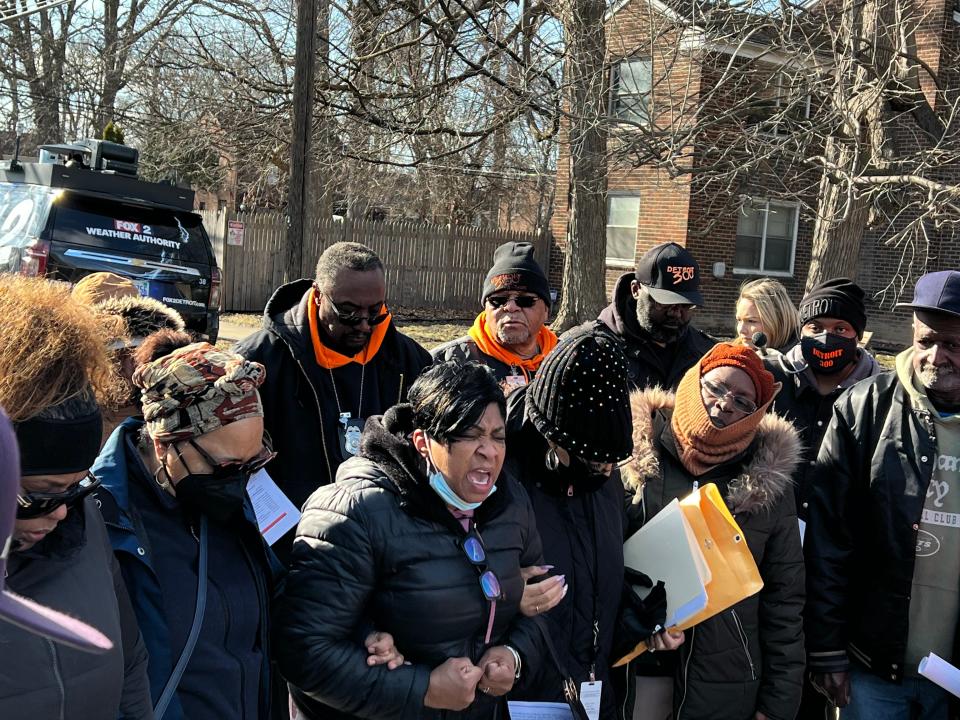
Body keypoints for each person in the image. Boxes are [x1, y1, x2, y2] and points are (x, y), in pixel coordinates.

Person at [272, 361, 545, 720]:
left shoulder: (510, 501)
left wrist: (513, 656)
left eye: (497, 436)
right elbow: (303, 651)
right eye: (468, 435)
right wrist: (423, 688)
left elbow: (541, 605)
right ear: (423, 443)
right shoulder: (354, 510)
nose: (489, 452)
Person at [91, 333, 286, 720]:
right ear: (164, 445)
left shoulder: (226, 495)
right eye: (226, 467)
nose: (242, 482)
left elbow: (273, 608)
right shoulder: (101, 520)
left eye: (253, 464)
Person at [805, 270, 960, 720]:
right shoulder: (863, 407)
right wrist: (828, 649)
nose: (936, 357)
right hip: (871, 666)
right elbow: (828, 539)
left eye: (954, 345)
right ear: (913, 330)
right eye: (928, 340)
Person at [504, 328, 682, 719]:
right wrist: (503, 596)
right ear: (553, 440)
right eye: (594, 462)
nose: (605, 472)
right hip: (515, 694)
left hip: (594, 696)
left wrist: (639, 624)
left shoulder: (600, 470)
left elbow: (595, 585)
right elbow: (437, 585)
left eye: (611, 463)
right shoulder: (498, 473)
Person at [622, 342, 805, 720]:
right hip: (632, 677)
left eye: (742, 401)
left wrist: (778, 705)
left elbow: (785, 600)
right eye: (716, 388)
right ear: (693, 381)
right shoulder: (631, 451)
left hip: (725, 688)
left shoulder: (771, 486)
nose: (724, 404)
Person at [0, 275, 152, 720]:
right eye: (42, 495)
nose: (64, 511)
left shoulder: (84, 524)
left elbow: (131, 660)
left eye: (78, 487)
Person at [236, 241, 432, 559]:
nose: (365, 325)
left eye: (376, 311)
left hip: (383, 549)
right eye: (349, 312)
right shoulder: (259, 362)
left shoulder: (411, 362)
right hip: (289, 547)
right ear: (317, 295)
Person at [766, 277, 882, 519]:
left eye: (840, 329)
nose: (826, 337)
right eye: (815, 327)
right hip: (769, 534)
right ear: (801, 331)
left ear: (857, 336)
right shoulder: (770, 379)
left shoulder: (880, 397)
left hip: (840, 543)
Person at [433, 241, 557, 394]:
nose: (511, 307)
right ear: (485, 307)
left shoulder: (564, 361)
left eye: (525, 300)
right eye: (498, 300)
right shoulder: (447, 362)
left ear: (546, 310)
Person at [589, 242, 715, 391]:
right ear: (636, 290)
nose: (675, 313)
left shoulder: (705, 353)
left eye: (686, 305)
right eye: (664, 303)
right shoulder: (594, 350)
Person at [78, 293, 186, 444]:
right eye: (124, 356)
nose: (139, 366)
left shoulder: (179, 418)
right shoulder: (77, 416)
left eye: (151, 356)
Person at [735, 278, 799, 354]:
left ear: (778, 321)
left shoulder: (803, 361)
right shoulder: (729, 354)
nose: (741, 330)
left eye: (751, 321)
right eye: (739, 320)